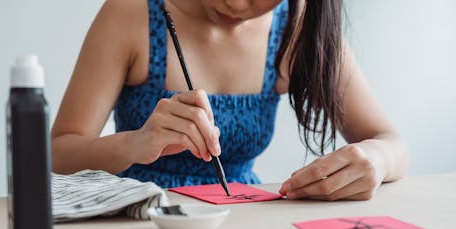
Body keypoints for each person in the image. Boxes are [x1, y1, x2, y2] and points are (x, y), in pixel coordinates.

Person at [51, 0, 409, 201]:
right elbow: (56, 154)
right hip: (136, 225)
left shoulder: (298, 29)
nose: (235, 3)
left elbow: (392, 144)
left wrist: (375, 160)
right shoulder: (131, 13)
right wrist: (133, 144)